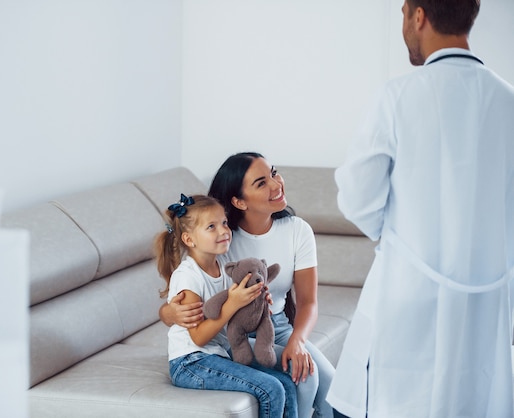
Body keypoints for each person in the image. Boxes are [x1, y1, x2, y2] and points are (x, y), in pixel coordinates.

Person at [327, 1, 514, 417]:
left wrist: (402, 235)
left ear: (418, 15)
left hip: (406, 296)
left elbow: (357, 197)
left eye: (403, 13)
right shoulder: (509, 102)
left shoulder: (398, 95)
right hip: (486, 303)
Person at [160, 154, 335, 418]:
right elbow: (190, 293)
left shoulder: (296, 230)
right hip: (236, 333)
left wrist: (297, 342)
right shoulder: (219, 241)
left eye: (274, 173)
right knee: (302, 378)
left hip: (277, 326)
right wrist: (168, 313)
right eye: (262, 183)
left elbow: (309, 301)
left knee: (335, 391)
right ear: (239, 201)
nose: (276, 185)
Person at [155, 193, 298, 418]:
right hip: (191, 362)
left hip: (218, 353)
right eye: (211, 227)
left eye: (223, 223)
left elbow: (237, 314)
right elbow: (198, 338)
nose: (223, 230)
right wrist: (232, 304)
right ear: (189, 240)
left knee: (286, 384)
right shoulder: (188, 277)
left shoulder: (223, 265)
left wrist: (256, 301)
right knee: (271, 389)